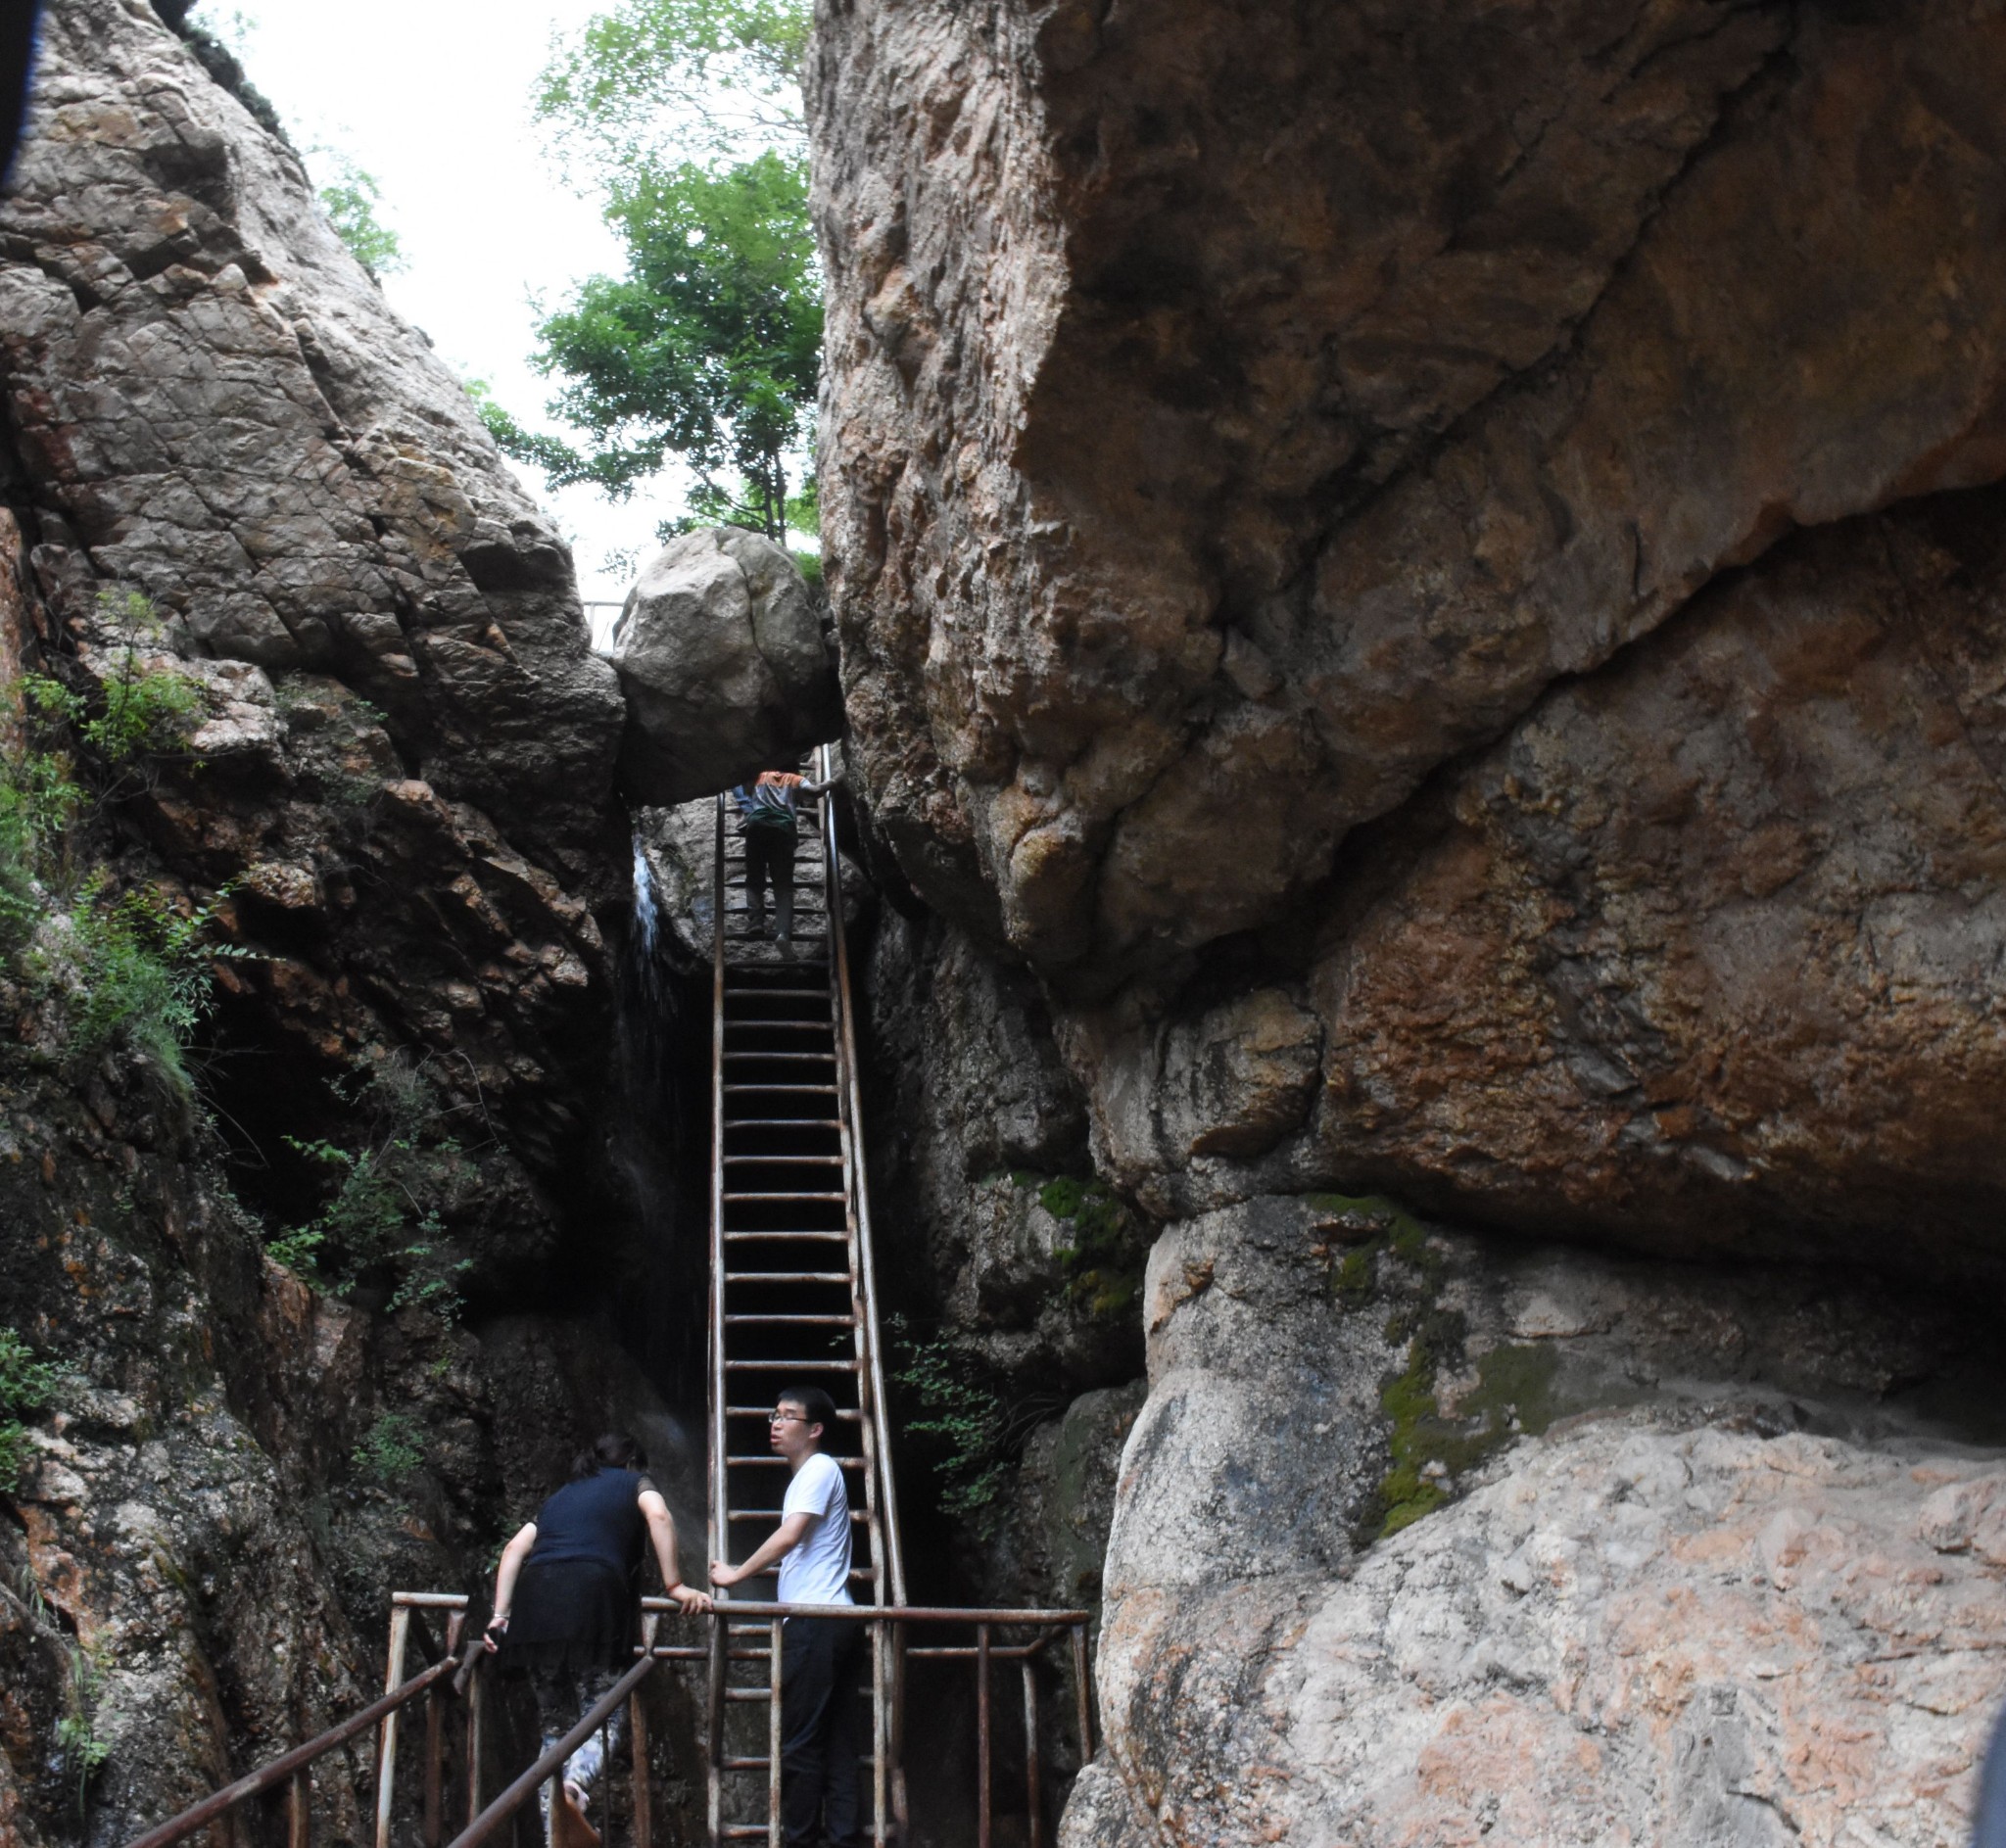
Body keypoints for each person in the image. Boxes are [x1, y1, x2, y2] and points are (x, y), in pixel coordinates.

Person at [483, 1432, 711, 1845]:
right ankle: (572, 1789)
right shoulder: (634, 1483)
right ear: (631, 1464)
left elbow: (515, 1549)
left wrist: (500, 1616)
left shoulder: (561, 1497)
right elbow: (659, 1516)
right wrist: (675, 1585)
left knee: (555, 1729)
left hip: (535, 1610)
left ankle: (556, 1831)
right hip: (591, 1601)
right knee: (603, 1717)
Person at [710, 1387, 859, 1848]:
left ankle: (798, 1841)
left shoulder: (817, 1468)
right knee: (837, 1747)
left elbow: (790, 1536)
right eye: (773, 1414)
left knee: (800, 1744)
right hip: (838, 1620)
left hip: (816, 1621)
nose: (775, 1423)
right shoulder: (815, 1473)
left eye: (788, 1416)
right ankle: (842, 1840)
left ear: (814, 1429)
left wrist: (736, 1574)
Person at [730, 764, 844, 947]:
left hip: (757, 826)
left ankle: (756, 922)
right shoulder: (795, 779)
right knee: (783, 886)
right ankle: (783, 933)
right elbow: (815, 791)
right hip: (783, 830)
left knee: (754, 878)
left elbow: (741, 785)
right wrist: (836, 780)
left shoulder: (760, 775)